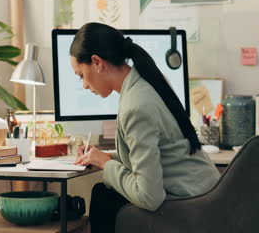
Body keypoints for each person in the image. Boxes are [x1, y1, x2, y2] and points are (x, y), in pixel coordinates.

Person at [71, 22, 220, 233]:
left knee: (104, 198)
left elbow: (149, 197)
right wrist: (105, 157)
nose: (84, 85)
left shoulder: (136, 105)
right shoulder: (145, 81)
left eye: (81, 75)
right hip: (209, 197)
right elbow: (159, 151)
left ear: (97, 62)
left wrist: (106, 164)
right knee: (104, 194)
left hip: (191, 208)